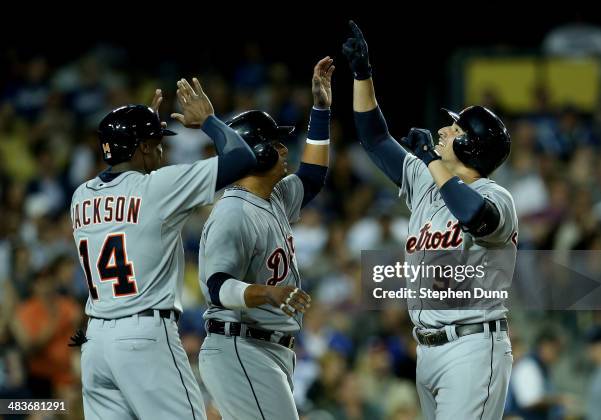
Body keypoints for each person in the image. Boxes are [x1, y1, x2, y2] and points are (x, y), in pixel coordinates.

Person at [342, 21, 518, 419]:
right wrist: (362, 74)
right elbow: (374, 138)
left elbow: (475, 216)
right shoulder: (427, 179)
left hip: (473, 346)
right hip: (428, 349)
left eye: (453, 128)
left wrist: (432, 162)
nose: (442, 129)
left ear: (470, 146)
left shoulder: (497, 196)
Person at [70, 79, 257, 420]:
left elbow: (126, 194)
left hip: (96, 343)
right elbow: (243, 157)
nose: (162, 151)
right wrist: (210, 122)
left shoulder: (81, 195)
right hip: (144, 338)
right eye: (157, 143)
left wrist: (143, 132)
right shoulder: (159, 186)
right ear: (141, 148)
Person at [198, 57, 334, 420]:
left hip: (266, 350)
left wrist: (321, 110)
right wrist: (268, 293)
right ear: (256, 152)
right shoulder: (232, 213)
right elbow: (217, 287)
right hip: (240, 345)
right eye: (276, 143)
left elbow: (314, 176)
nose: (284, 149)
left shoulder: (273, 197)